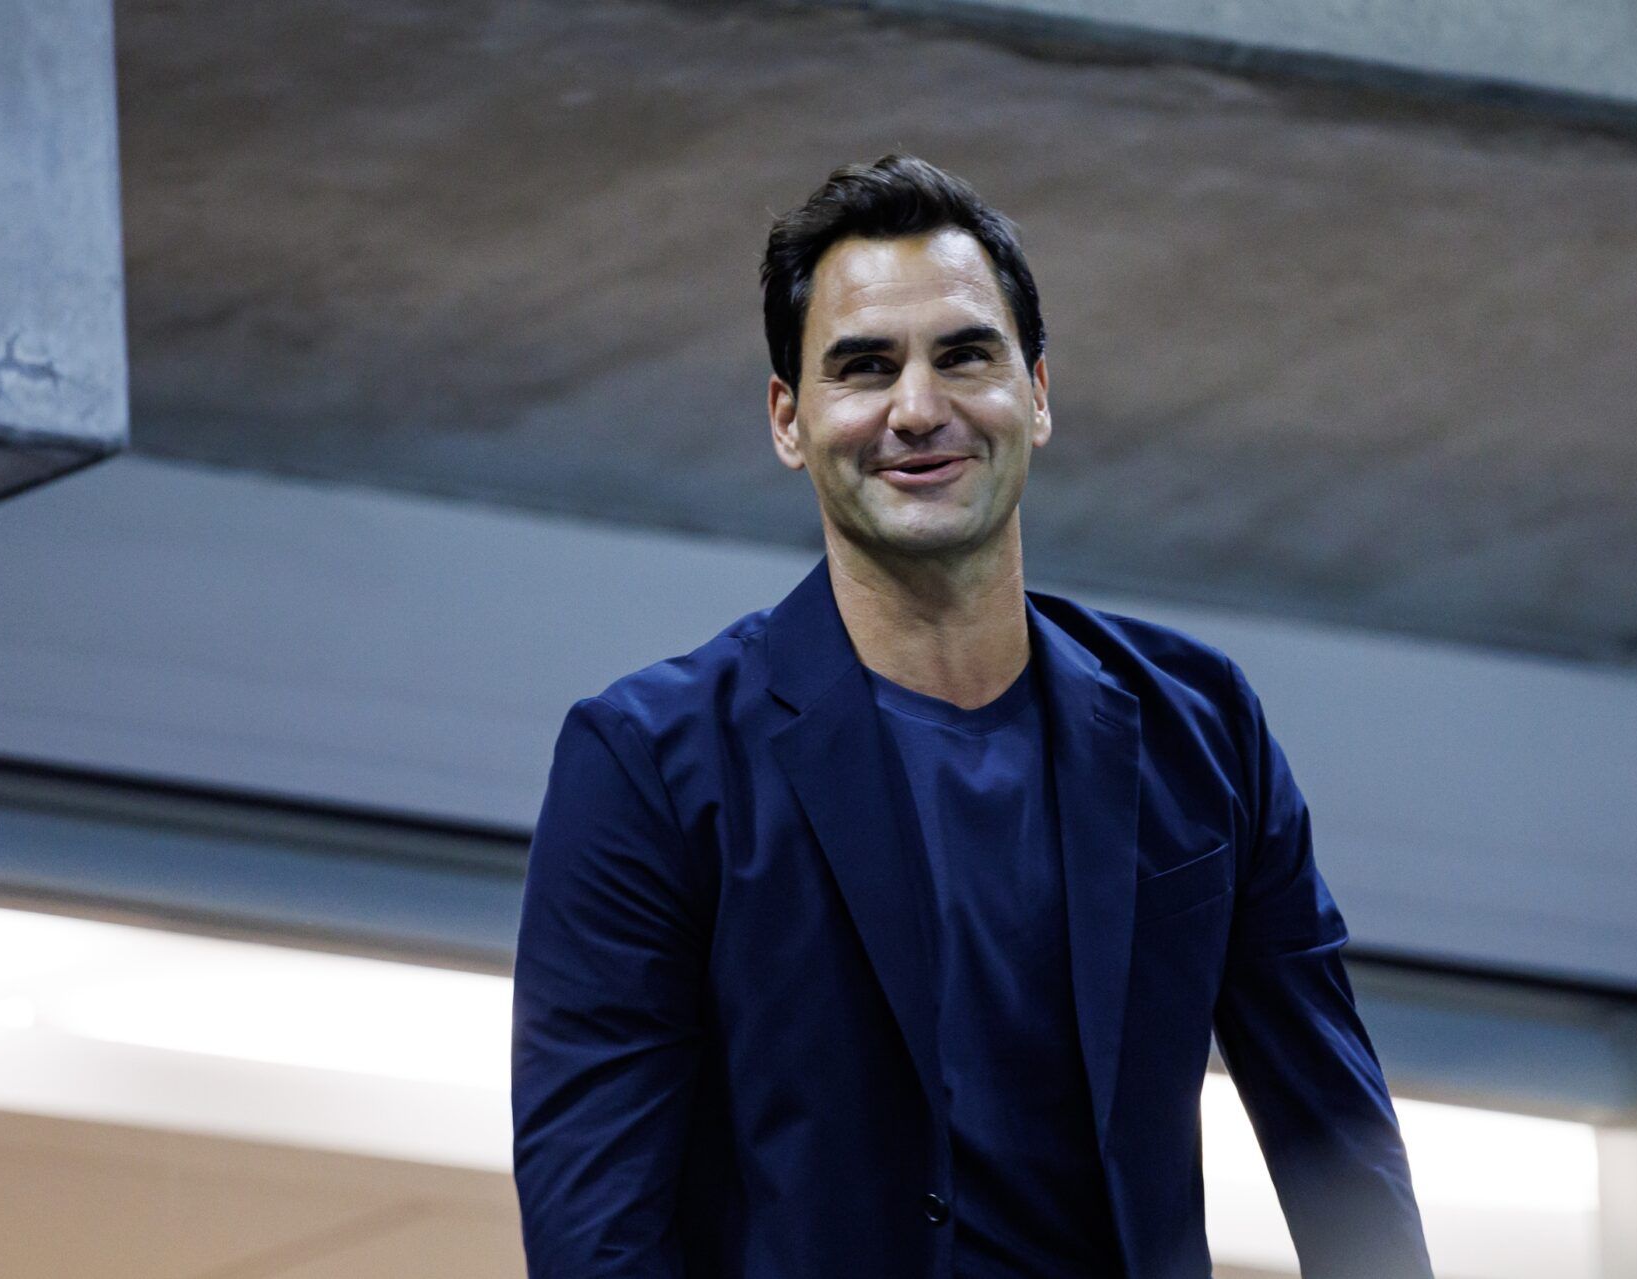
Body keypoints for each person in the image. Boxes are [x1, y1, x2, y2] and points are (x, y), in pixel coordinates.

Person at [511, 153, 1434, 1279]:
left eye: (964, 356)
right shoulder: (651, 764)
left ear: (1037, 394)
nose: (917, 409)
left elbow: (1339, 1140)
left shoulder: (1204, 730)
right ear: (788, 420)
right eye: (863, 367)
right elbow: (595, 1226)